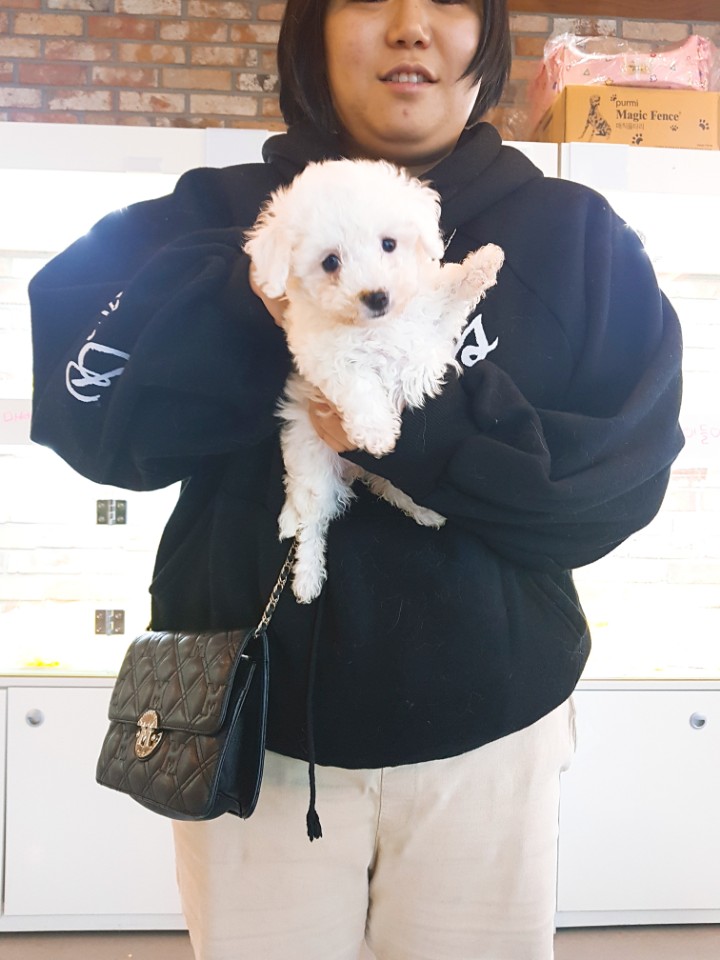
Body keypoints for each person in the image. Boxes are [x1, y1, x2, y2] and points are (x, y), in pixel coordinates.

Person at [28, 0, 684, 957]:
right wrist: (246, 301)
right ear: (314, 29)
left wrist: (416, 429)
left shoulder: (572, 233)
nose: (411, 25)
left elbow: (619, 487)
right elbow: (87, 416)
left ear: (486, 33)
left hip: (493, 731)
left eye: (448, 0)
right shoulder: (212, 216)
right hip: (249, 732)